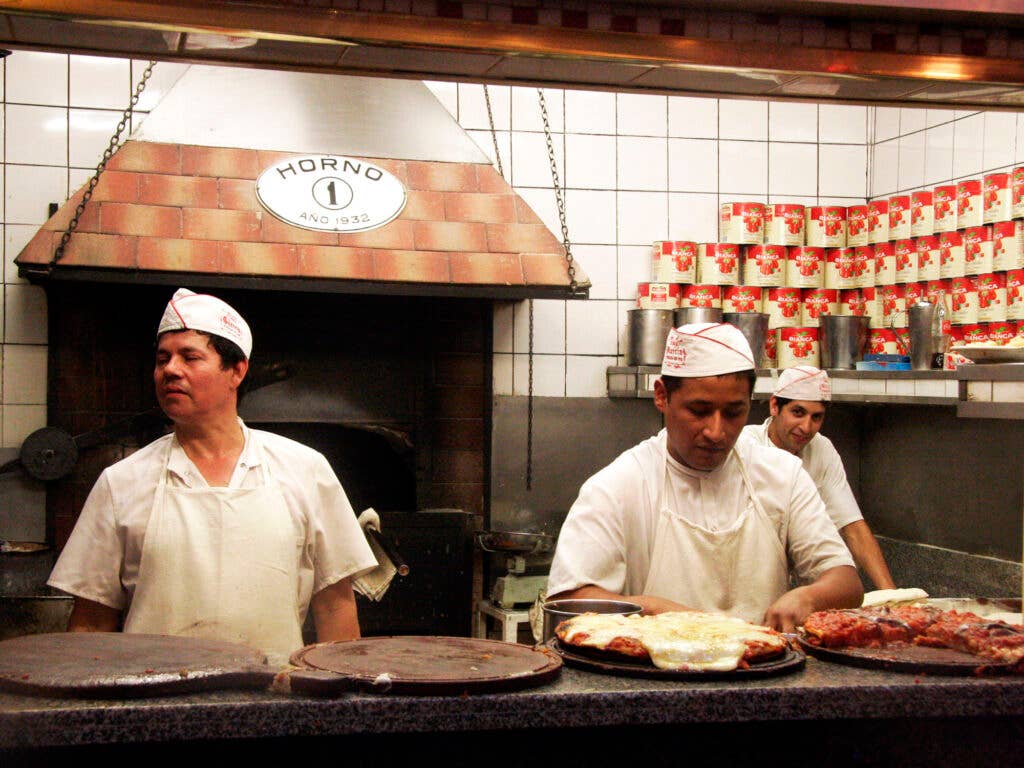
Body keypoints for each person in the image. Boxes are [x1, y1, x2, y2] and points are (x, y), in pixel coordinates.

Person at [48, 288, 378, 666]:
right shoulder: (121, 482)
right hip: (152, 708)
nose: (170, 369)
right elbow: (91, 624)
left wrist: (340, 708)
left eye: (190, 356)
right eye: (162, 359)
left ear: (236, 371)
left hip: (274, 704)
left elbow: (335, 605)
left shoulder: (305, 469)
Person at [546, 322, 862, 632]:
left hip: (760, 675)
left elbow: (846, 582)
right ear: (661, 396)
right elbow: (567, 602)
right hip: (653, 679)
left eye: (734, 412)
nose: (716, 431)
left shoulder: (784, 475)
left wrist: (808, 596)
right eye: (699, 411)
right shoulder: (618, 487)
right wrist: (654, 611)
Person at [740, 365, 896, 591]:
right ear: (775, 406)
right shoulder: (746, 446)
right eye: (798, 412)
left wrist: (892, 595)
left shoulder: (821, 449)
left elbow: (852, 525)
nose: (806, 427)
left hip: (802, 589)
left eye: (817, 417)